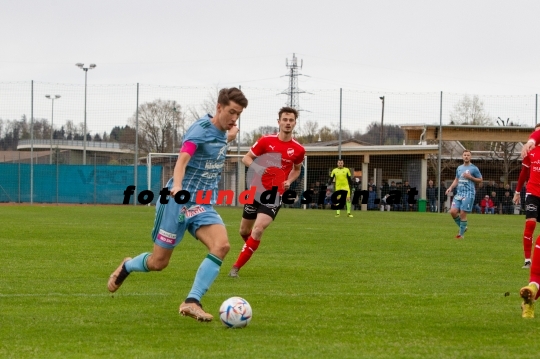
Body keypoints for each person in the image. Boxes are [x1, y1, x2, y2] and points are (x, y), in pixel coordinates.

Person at [107, 88, 248, 322]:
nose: (234, 118)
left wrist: (230, 136)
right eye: (231, 112)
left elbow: (221, 140)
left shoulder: (225, 132)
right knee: (158, 262)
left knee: (221, 246)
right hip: (177, 201)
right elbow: (183, 159)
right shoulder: (199, 131)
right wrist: (178, 185)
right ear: (219, 107)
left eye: (238, 114)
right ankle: (128, 265)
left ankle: (192, 301)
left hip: (202, 204)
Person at [228, 107, 305, 278]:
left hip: (274, 194)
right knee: (243, 231)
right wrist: (258, 167)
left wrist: (289, 181)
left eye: (291, 120)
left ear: (294, 123)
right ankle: (250, 246)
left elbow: (297, 170)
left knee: (258, 229)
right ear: (279, 122)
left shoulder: (298, 149)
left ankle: (235, 268)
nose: (287, 123)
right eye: (284, 119)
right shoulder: (266, 141)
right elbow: (246, 158)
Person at [516, 142, 540, 317]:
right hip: (533, 194)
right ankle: (527, 259)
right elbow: (524, 172)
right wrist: (517, 191)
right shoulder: (531, 152)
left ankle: (531, 291)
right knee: (530, 224)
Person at [445, 150, 483, 239]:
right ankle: (463, 227)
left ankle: (460, 235)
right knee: (453, 212)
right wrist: (450, 188)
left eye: (468, 155)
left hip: (469, 194)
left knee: (462, 213)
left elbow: (480, 179)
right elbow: (456, 180)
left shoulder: (474, 168)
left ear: (470, 157)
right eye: (465, 155)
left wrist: (471, 177)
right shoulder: (459, 168)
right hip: (459, 193)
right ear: (462, 156)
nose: (466, 156)